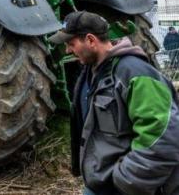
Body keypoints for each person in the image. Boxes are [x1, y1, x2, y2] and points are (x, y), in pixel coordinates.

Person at [49, 11, 179, 195]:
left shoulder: (135, 74)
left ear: (91, 40)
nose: (68, 50)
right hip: (101, 182)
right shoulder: (89, 75)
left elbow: (161, 137)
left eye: (71, 44)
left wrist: (126, 180)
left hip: (131, 186)